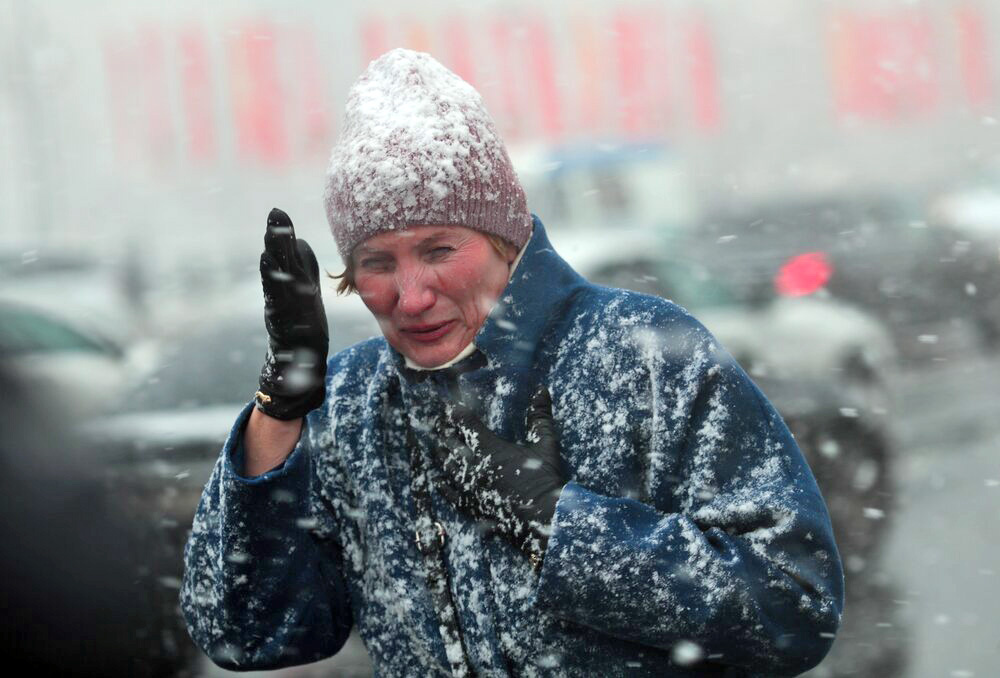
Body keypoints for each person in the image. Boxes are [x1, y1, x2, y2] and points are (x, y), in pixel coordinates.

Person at [181, 48, 843, 677]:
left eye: (438, 250)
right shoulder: (351, 401)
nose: (411, 296)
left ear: (505, 237)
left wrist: (563, 526)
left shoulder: (641, 354)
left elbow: (793, 603)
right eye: (378, 263)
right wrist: (279, 413)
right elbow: (242, 631)